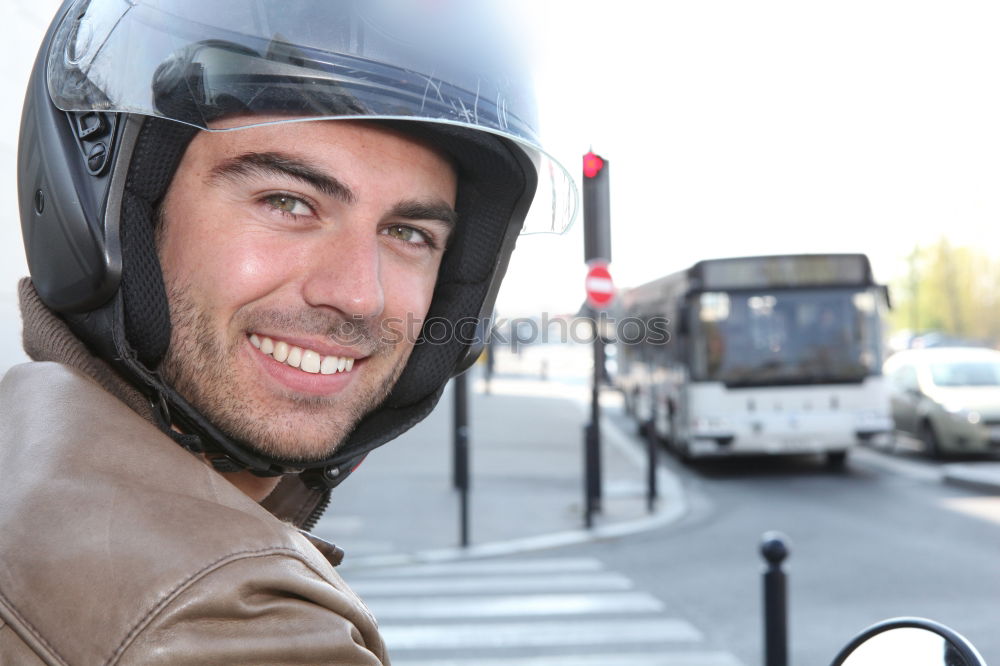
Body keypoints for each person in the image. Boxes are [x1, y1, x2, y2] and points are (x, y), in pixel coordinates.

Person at [0, 0, 574, 662]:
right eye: (287, 202)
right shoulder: (227, 626)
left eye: (408, 233)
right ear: (112, 215)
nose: (358, 295)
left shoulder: (23, 447)